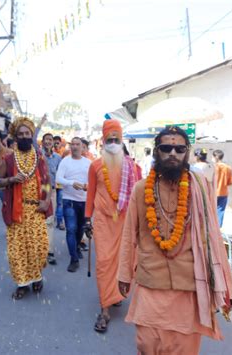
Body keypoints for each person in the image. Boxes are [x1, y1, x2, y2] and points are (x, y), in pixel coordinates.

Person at [118, 126, 232, 354]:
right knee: (147, 344)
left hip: (188, 284)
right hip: (151, 281)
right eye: (166, 148)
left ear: (187, 152)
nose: (173, 153)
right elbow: (128, 235)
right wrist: (124, 273)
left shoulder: (200, 188)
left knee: (184, 348)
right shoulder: (141, 189)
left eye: (179, 148)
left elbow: (212, 235)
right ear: (156, 152)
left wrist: (222, 283)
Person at [84, 119, 139, 333]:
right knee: (104, 263)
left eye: (117, 139)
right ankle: (105, 309)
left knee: (124, 262)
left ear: (121, 140)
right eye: (110, 139)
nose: (113, 143)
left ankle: (116, 293)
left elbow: (140, 198)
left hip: (126, 222)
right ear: (104, 141)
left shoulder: (133, 167)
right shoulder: (95, 165)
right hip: (103, 222)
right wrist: (87, 219)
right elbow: (90, 195)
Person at [0, 117, 52, 300]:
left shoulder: (40, 157)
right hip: (16, 211)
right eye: (20, 134)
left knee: (38, 248)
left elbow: (46, 182)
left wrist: (47, 200)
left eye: (27, 133)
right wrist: (11, 180)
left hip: (36, 210)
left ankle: (37, 277)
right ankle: (22, 284)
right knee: (18, 250)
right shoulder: (9, 159)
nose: (24, 137)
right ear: (15, 137)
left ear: (32, 135)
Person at [56, 137, 91, 272]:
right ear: (70, 147)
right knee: (71, 229)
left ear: (83, 147)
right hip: (69, 199)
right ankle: (74, 259)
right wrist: (71, 183)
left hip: (84, 200)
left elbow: (92, 180)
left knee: (80, 229)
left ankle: (76, 248)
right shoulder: (65, 161)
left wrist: (88, 186)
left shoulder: (88, 163)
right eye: (73, 144)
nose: (75, 147)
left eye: (78, 144)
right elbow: (58, 179)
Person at [42, 132, 62, 265]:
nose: (48, 142)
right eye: (46, 140)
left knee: (49, 221)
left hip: (52, 192)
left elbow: (60, 175)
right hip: (37, 192)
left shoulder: (58, 158)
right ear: (42, 142)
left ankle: (49, 251)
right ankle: (38, 250)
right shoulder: (37, 155)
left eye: (50, 139)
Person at [213, 149, 232, 227]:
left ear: (214, 157)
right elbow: (230, 182)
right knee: (220, 211)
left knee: (210, 211)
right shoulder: (228, 168)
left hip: (213, 192)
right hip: (223, 193)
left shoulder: (212, 167)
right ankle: (218, 229)